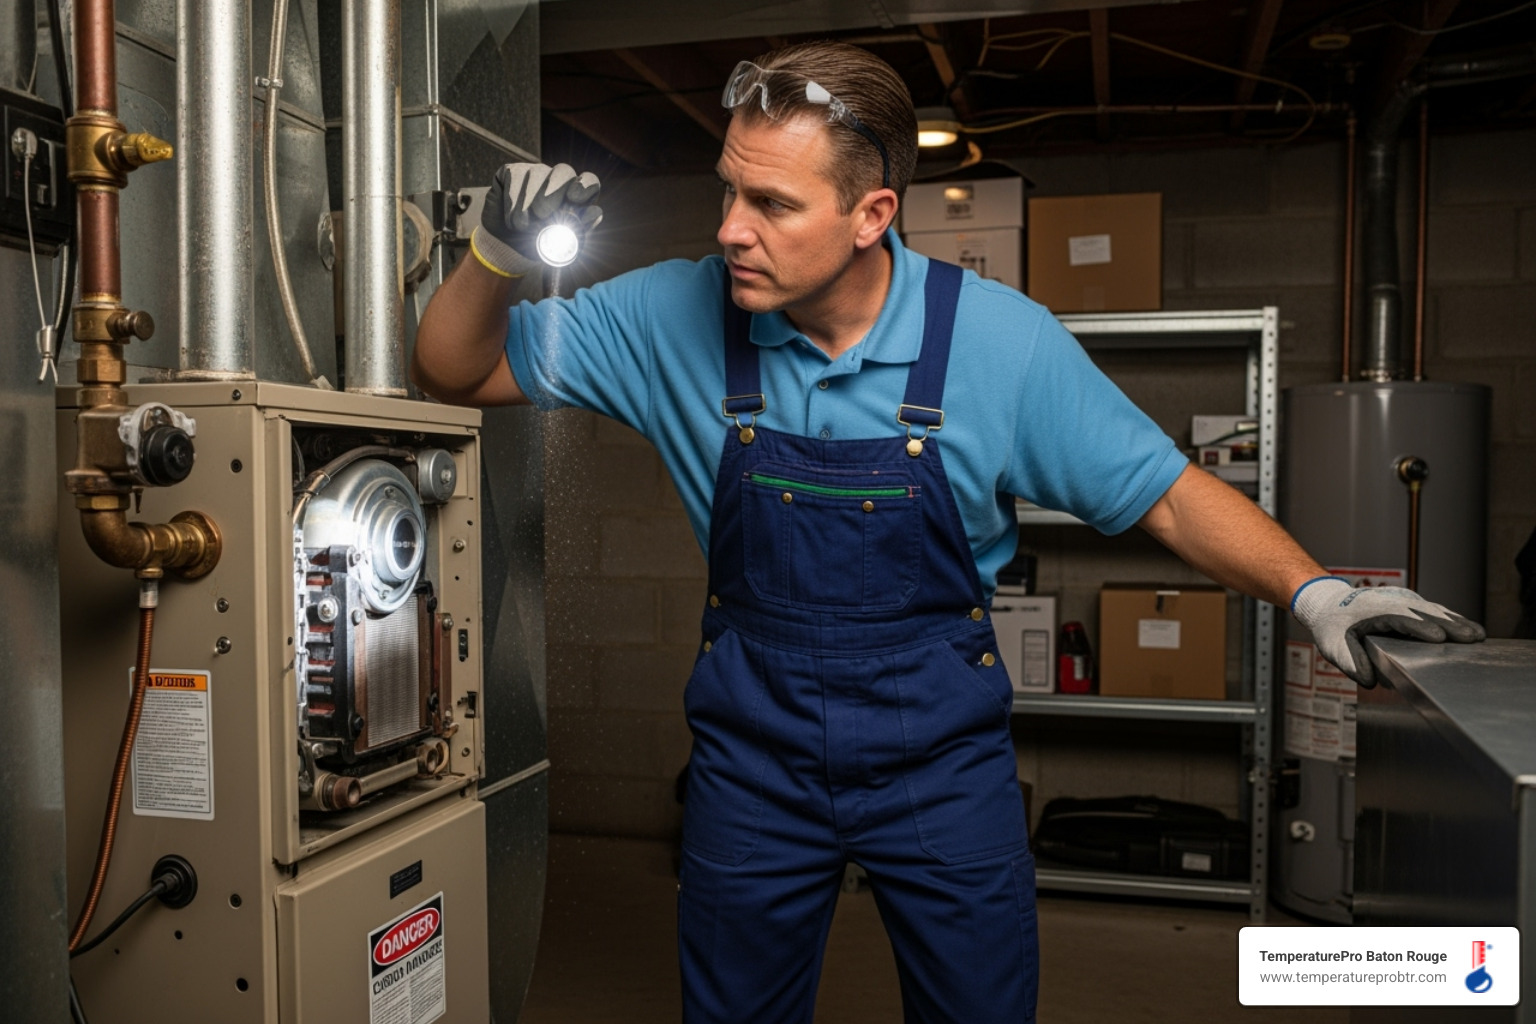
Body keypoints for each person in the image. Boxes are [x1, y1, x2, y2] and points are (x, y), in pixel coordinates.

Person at [412, 41, 1484, 1024]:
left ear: (873, 214)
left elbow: (1164, 491)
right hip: (752, 760)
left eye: (774, 204)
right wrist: (493, 258)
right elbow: (453, 366)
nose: (731, 227)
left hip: (941, 762)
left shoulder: (1000, 346)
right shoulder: (668, 316)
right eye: (727, 190)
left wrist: (1313, 592)